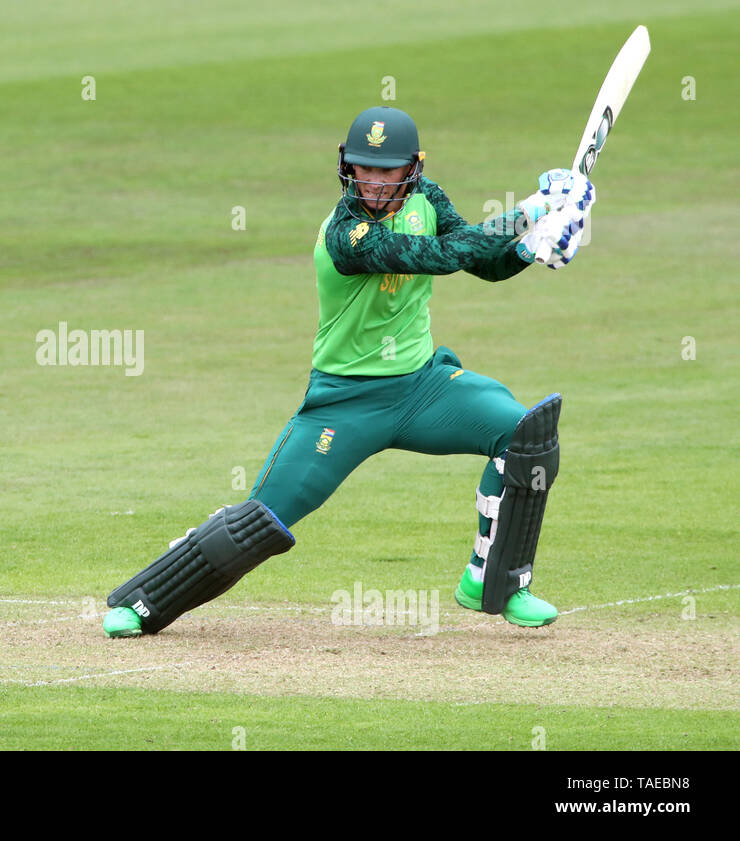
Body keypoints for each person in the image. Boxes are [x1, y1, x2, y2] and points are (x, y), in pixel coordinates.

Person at [103, 106, 593, 637]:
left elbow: (483, 261)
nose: (374, 182)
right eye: (364, 168)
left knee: (525, 434)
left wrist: (532, 246)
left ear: (413, 167)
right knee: (262, 519)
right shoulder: (347, 234)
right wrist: (534, 209)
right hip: (344, 403)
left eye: (386, 171)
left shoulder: (429, 200)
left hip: (423, 387)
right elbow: (442, 255)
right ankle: (145, 600)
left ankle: (492, 582)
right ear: (347, 167)